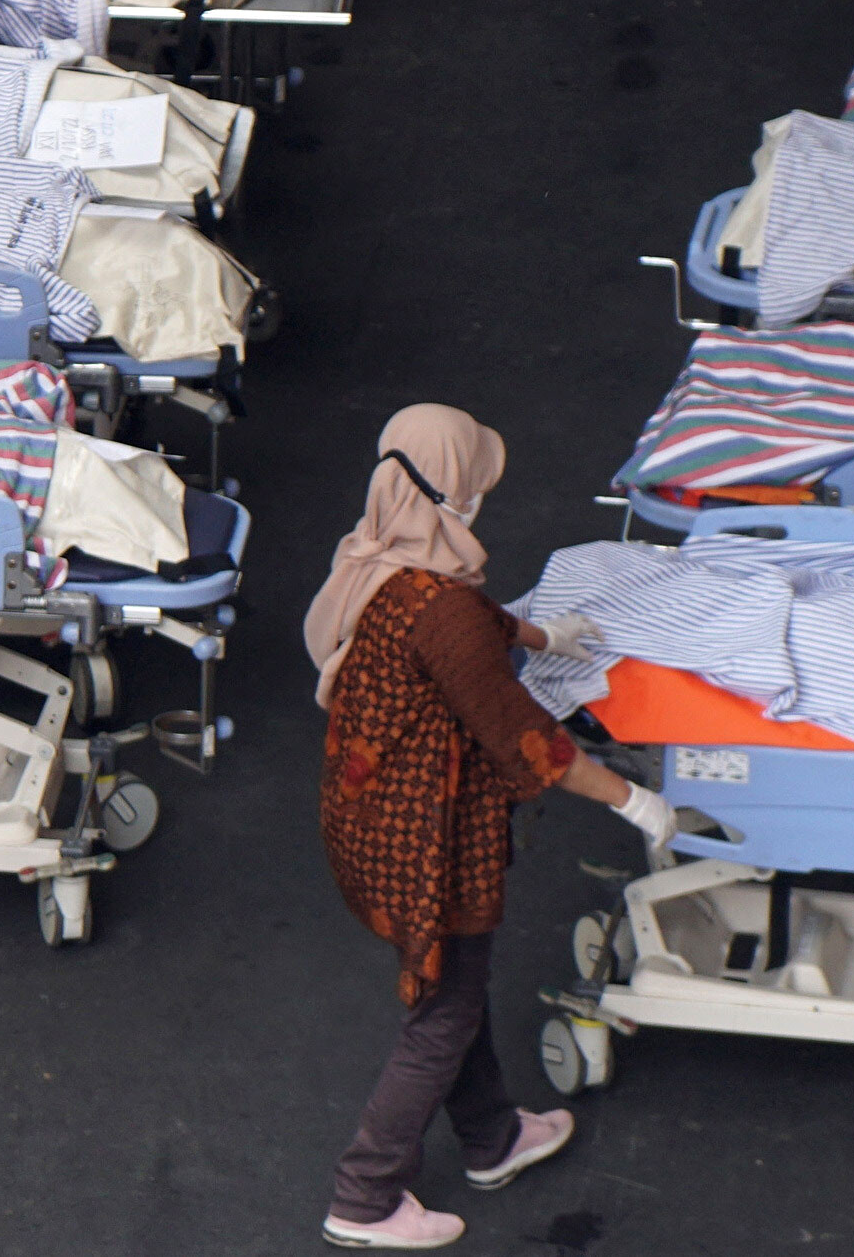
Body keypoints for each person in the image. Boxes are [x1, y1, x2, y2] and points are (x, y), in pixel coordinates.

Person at [304, 404, 680, 1251]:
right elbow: (529, 743)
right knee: (441, 1012)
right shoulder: (440, 607)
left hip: (364, 816)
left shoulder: (376, 559)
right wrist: (634, 800)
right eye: (474, 487)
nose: (479, 502)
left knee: (454, 989)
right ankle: (363, 1194)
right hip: (425, 842)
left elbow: (469, 624)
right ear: (452, 497)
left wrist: (545, 630)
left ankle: (492, 1136)